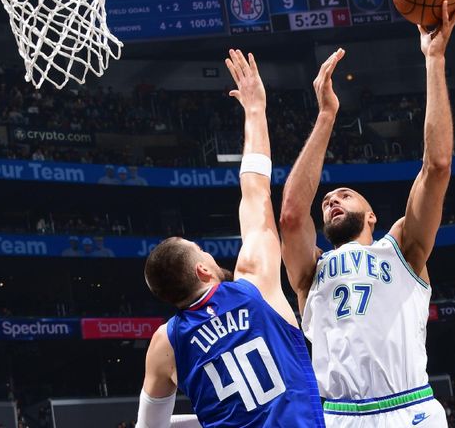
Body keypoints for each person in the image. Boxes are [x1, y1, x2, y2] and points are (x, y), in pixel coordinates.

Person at [279, 0, 455, 427]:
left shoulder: (402, 247)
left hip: (410, 409)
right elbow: (291, 214)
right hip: (341, 416)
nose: (330, 199)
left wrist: (434, 59)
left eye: (344, 193)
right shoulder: (311, 272)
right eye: (328, 199)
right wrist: (326, 115)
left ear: (372, 215)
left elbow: (437, 167)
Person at [137, 50, 324, 428]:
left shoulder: (165, 344)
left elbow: (149, 427)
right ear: (203, 269)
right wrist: (255, 111)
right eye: (201, 250)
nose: (208, 252)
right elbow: (255, 191)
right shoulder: (254, 284)